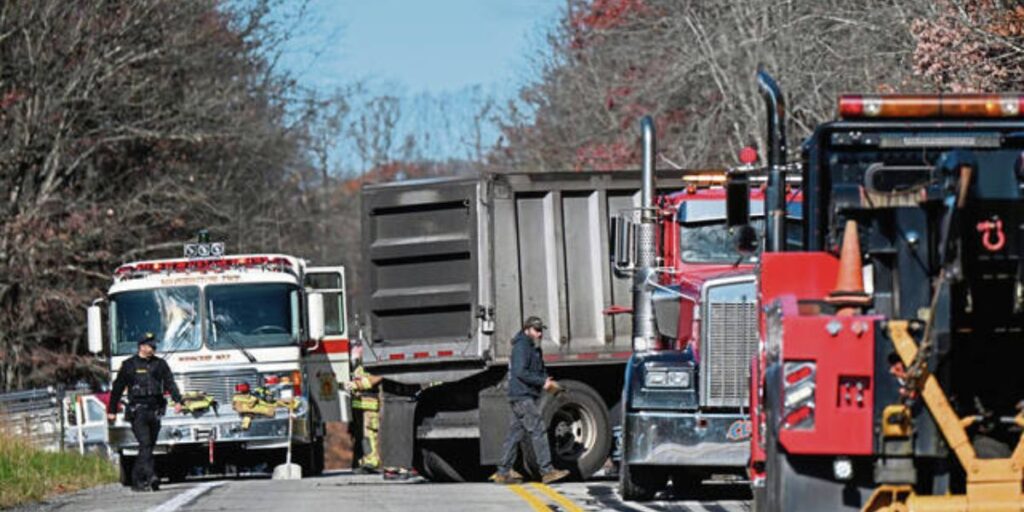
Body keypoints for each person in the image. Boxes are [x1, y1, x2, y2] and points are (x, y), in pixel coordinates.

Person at [492, 316, 570, 485]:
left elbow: (536, 369)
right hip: (522, 395)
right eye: (536, 330)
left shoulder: (533, 346)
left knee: (515, 434)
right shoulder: (522, 346)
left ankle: (503, 472)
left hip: (522, 395)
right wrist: (542, 382)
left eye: (541, 330)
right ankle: (547, 471)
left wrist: (546, 381)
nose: (540, 333)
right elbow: (520, 372)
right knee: (538, 429)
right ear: (527, 329)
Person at [107, 332, 183, 492]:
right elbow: (117, 389)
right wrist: (112, 410)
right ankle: (151, 476)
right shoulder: (129, 365)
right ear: (141, 346)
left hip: (155, 411)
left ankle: (137, 480)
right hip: (138, 411)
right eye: (150, 345)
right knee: (145, 443)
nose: (153, 348)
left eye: (154, 345)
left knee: (148, 446)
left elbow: (170, 383)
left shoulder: (160, 364)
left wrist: (178, 401)